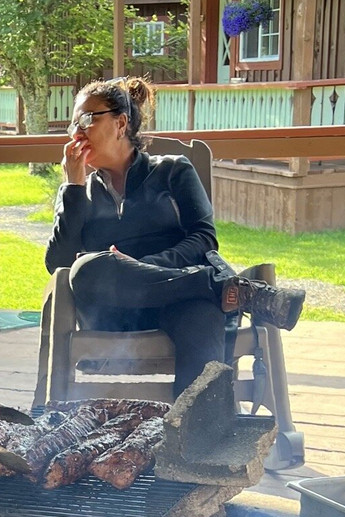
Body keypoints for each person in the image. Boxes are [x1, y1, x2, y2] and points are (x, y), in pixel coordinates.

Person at [46, 76, 305, 396]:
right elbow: (57, 263)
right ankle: (223, 287)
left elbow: (204, 239)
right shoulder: (78, 192)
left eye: (87, 119)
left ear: (120, 123)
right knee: (86, 269)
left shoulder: (173, 171)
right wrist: (72, 187)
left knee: (204, 314)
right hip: (113, 310)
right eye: (73, 125)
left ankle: (197, 433)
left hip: (177, 302)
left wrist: (143, 265)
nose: (77, 132)